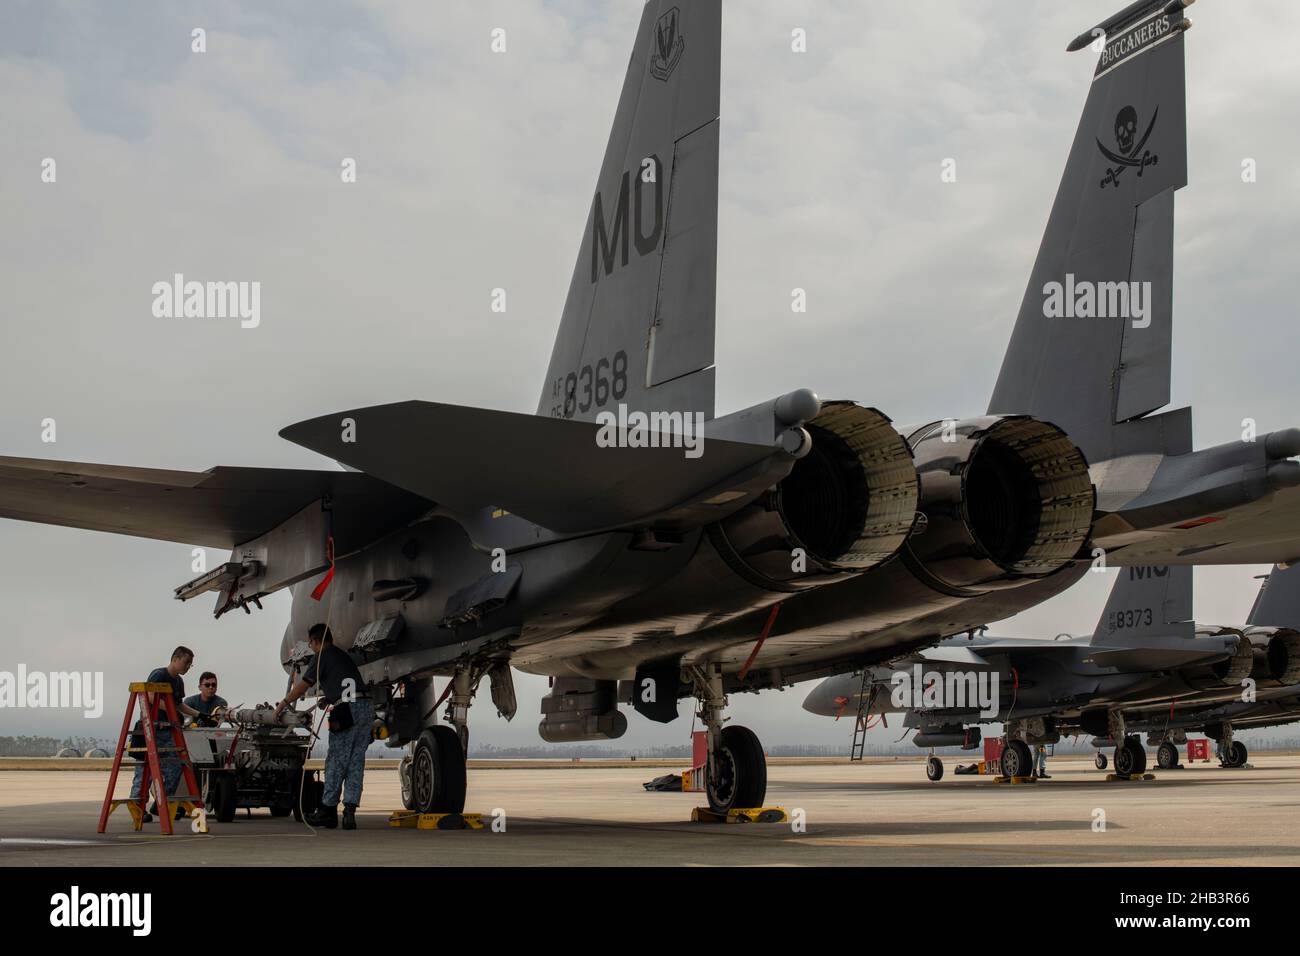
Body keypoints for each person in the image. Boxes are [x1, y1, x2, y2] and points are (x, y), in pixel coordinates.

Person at [274, 624, 372, 830]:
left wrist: (283, 703)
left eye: (311, 643)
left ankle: (327, 810)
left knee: (336, 761)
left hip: (346, 711)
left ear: (315, 641)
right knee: (355, 761)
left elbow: (303, 685)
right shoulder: (342, 655)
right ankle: (349, 813)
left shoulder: (322, 656)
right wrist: (329, 697)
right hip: (365, 708)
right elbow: (347, 683)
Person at [130, 646, 202, 820]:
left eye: (190, 664)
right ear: (176, 659)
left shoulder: (178, 682)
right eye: (186, 663)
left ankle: (162, 802)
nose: (187, 667)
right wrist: (170, 710)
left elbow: (178, 704)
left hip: (167, 730)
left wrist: (198, 714)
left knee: (175, 766)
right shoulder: (159, 675)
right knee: (144, 771)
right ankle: (137, 808)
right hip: (150, 729)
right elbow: (151, 696)